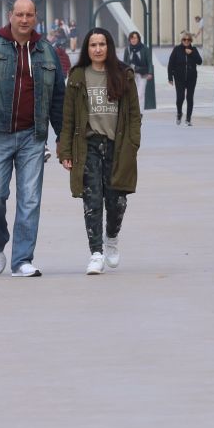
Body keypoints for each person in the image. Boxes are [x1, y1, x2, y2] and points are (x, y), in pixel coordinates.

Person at [0, 0, 67, 277]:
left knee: (30, 199)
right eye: (19, 14)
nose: (24, 19)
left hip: (32, 136)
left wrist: (62, 138)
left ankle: (22, 259)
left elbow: (59, 98)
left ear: (36, 17)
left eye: (29, 15)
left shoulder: (48, 52)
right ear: (10, 15)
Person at [57, 28, 142, 275]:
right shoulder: (77, 76)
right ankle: (96, 253)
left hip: (118, 146)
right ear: (87, 48)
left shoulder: (123, 74)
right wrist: (66, 151)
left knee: (117, 201)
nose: (97, 49)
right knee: (91, 200)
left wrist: (133, 143)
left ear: (109, 47)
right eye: (93, 45)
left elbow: (134, 114)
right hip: (88, 146)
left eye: (102, 44)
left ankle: (111, 238)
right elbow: (69, 117)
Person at [167, 32, 202, 126]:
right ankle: (179, 113)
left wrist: (192, 53)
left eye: (188, 40)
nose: (186, 41)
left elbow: (199, 62)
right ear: (182, 40)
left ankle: (188, 119)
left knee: (189, 98)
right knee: (180, 97)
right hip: (179, 78)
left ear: (191, 41)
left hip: (191, 78)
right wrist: (170, 77)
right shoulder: (177, 49)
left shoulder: (193, 49)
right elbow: (171, 64)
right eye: (184, 39)